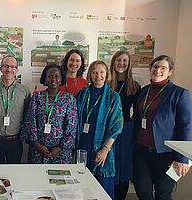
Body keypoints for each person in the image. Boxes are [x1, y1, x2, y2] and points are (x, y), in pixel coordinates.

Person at [133, 55, 192, 200]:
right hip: (141, 152)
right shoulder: (144, 91)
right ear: (150, 69)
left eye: (163, 68)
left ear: (170, 72)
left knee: (163, 194)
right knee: (143, 192)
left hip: (166, 154)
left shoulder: (179, 93)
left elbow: (185, 126)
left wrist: (182, 158)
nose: (158, 70)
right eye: (155, 66)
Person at [77, 60, 123, 199]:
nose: (98, 75)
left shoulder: (113, 97)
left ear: (107, 74)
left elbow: (117, 125)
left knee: (102, 189)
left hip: (102, 147)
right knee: (82, 186)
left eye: (101, 72)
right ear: (90, 75)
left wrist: (105, 150)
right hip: (83, 144)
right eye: (94, 72)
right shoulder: (83, 93)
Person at [21, 64, 77, 164]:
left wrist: (60, 147)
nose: (53, 79)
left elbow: (71, 126)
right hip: (38, 151)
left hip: (61, 153)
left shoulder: (69, 99)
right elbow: (30, 121)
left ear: (61, 79)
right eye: (50, 76)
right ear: (45, 79)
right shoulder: (37, 97)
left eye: (56, 76)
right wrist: (37, 144)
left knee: (59, 179)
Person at [0, 55, 31, 164]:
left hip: (15, 141)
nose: (9, 69)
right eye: (5, 66)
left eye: (12, 67)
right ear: (1, 69)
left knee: (14, 174)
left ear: (16, 70)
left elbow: (26, 115)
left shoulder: (24, 91)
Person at [108, 51, 141, 200]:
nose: (121, 63)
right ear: (113, 62)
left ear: (129, 64)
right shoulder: (107, 84)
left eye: (125, 61)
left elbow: (138, 112)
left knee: (124, 168)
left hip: (126, 131)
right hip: (108, 130)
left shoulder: (134, 86)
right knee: (110, 164)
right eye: (118, 60)